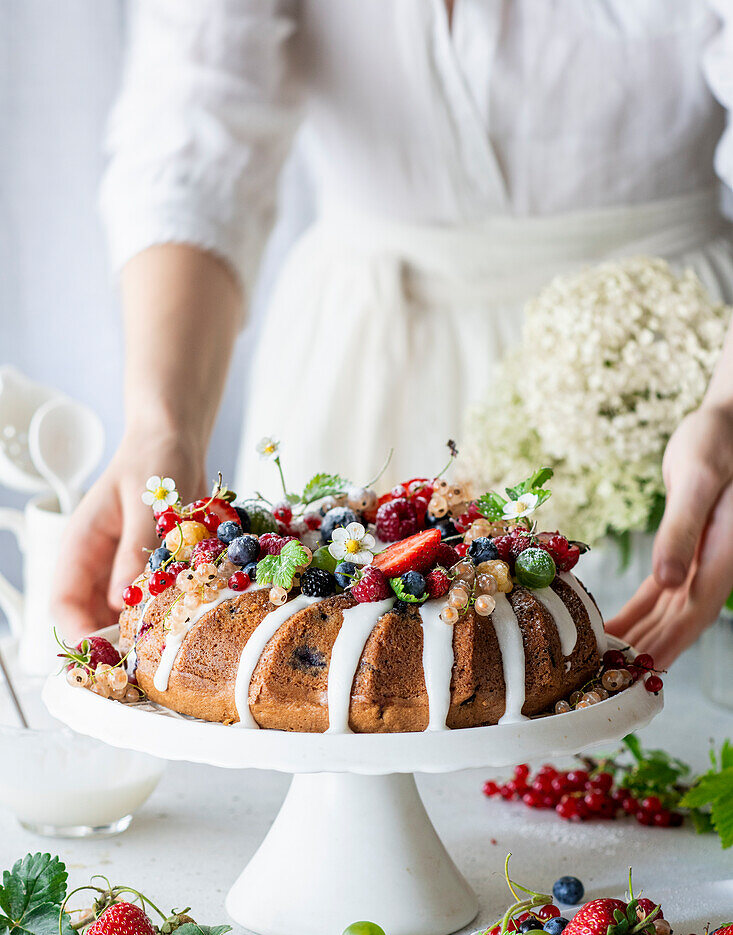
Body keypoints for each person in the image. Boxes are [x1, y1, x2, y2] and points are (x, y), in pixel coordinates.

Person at [54, 0, 733, 669]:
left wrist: (726, 409)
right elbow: (191, 140)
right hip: (362, 358)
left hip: (669, 375)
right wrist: (160, 425)